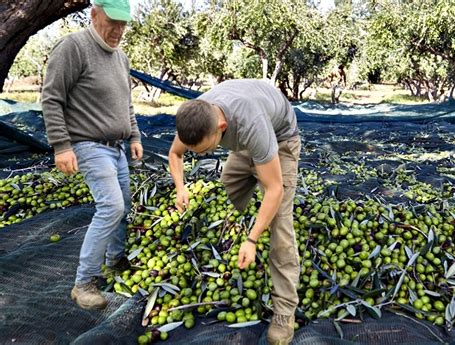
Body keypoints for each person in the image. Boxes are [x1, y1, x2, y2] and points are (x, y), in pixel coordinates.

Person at [168, 79, 301, 345]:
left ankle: (285, 312)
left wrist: (252, 240)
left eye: (206, 150)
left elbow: (275, 189)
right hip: (246, 140)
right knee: (229, 184)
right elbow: (175, 153)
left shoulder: (251, 124)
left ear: (222, 128)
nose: (202, 155)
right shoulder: (198, 115)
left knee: (280, 224)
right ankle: (242, 231)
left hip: (280, 138)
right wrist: (180, 187)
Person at [42, 0, 143, 310]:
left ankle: (115, 261)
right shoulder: (73, 47)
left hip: (117, 148)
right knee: (111, 206)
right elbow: (51, 98)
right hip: (88, 144)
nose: (119, 30)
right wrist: (61, 145)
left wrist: (135, 135)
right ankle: (83, 283)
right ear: (94, 14)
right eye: (113, 22)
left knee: (123, 206)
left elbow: (126, 104)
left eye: (124, 24)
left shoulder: (121, 58)